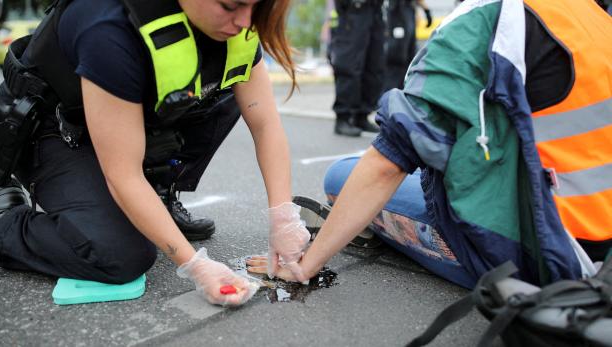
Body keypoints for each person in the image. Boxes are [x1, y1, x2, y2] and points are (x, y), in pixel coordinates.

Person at [249, 0, 612, 289]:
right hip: (600, 242)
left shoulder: (488, 19)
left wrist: (304, 265)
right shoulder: (593, 14)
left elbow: (387, 164)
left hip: (552, 259)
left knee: (341, 177)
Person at [0, 0, 310, 306]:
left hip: (121, 122)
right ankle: (4, 221)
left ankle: (157, 198)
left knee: (222, 92)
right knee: (120, 255)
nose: (244, 21)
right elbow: (122, 175)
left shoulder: (237, 23)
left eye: (255, 8)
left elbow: (266, 124)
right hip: (51, 126)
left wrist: (283, 217)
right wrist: (196, 266)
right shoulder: (109, 26)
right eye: (230, 6)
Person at [328, 0, 386, 137]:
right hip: (353, 10)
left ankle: (362, 115)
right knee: (349, 65)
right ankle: (343, 118)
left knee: (374, 67)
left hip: (375, 10)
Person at [383, 0, 432, 91]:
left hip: (408, 10)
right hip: (397, 12)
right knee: (396, 58)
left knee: (409, 58)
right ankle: (390, 95)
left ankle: (404, 92)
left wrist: (424, 9)